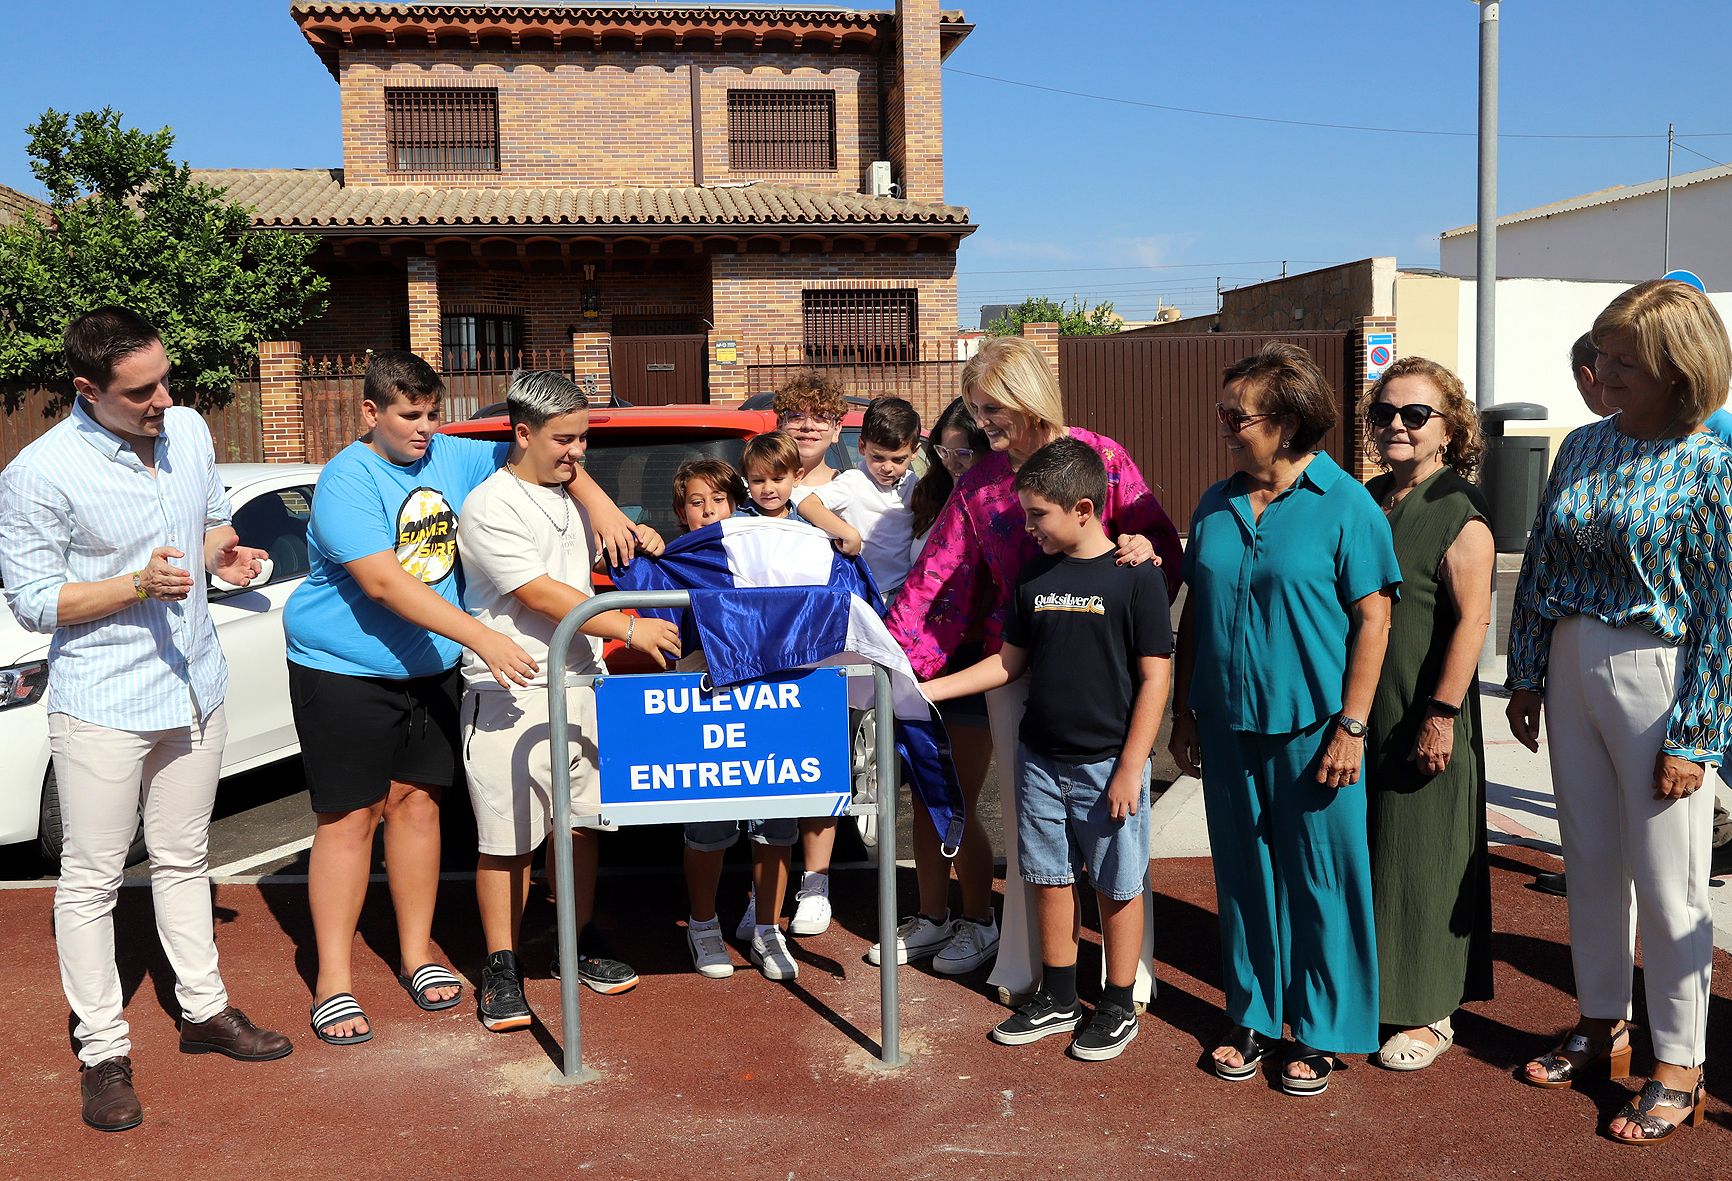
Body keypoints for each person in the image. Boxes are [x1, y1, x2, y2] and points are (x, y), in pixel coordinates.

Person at [285, 350, 648, 1046]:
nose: (426, 428)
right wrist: (481, 638)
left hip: (429, 665)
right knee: (352, 817)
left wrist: (598, 498)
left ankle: (417, 952)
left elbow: (546, 455)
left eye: (432, 414)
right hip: (344, 668)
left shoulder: (450, 457)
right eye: (410, 416)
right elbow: (389, 585)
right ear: (372, 412)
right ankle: (333, 978)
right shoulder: (346, 480)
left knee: (418, 806)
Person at [0, 307, 292, 1132]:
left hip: (197, 684)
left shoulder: (191, 429)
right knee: (91, 879)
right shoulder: (38, 473)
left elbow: (208, 533)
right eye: (142, 391)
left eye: (165, 378)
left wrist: (227, 558)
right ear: (89, 390)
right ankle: (102, 1049)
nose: (164, 398)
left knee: (184, 854)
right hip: (103, 702)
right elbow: (32, 602)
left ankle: (203, 1010)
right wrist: (135, 584)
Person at [887, 335, 1183, 1003]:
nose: (984, 424)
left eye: (993, 409)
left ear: (1027, 396)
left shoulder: (1101, 457)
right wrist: (892, 663)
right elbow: (941, 581)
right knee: (1035, 836)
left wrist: (1141, 545)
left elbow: (1156, 540)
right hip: (1013, 670)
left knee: (1117, 827)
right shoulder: (979, 483)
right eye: (975, 411)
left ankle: (1125, 974)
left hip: (1102, 666)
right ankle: (1032, 967)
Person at [1507, 279, 1732, 1145]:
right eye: (1599, 353)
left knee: (1670, 883)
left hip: (1658, 673)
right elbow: (1541, 562)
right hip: (1570, 660)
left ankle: (1680, 1058)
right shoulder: (1581, 446)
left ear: (1676, 369)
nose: (1598, 371)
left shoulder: (1709, 464)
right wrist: (1527, 669)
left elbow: (1723, 611)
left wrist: (1698, 733)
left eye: (1620, 359)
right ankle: (1602, 1022)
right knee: (1592, 859)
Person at [1169, 341, 1399, 1097]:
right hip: (1228, 721)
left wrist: (1352, 724)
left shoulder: (1348, 505)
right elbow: (1197, 611)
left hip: (1317, 730)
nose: (1225, 425)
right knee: (1243, 876)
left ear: (1289, 420)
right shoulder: (1214, 501)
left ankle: (1324, 1029)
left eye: (1238, 415)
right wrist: (1185, 707)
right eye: (1224, 412)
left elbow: (1374, 619)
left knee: (1323, 878)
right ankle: (1255, 1016)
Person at [924, 438, 1172, 1061]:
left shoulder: (1137, 577)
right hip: (1038, 759)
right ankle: (1060, 996)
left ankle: (1116, 1002)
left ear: (1084, 509)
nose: (1027, 527)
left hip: (1109, 765)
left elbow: (1156, 678)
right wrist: (924, 690)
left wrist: (1131, 768)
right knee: (1046, 878)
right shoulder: (1035, 575)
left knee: (1117, 884)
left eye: (1037, 515)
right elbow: (1008, 665)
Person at [456, 372, 678, 1031]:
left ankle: (576, 939)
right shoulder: (490, 505)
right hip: (510, 691)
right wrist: (629, 625)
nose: (577, 452)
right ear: (522, 434)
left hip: (580, 684)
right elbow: (539, 593)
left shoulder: (570, 491)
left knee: (580, 823)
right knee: (508, 838)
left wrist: (644, 536)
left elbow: (586, 545)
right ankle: (501, 964)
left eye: (583, 437)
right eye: (565, 439)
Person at [1360, 357, 1495, 1070]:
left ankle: (1431, 1010)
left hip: (1423, 708)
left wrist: (1440, 714)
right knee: (1378, 852)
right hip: (1365, 711)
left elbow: (1473, 622)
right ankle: (1378, 990)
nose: (1397, 426)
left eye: (1416, 415)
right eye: (1385, 413)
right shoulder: (1370, 498)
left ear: (1450, 428)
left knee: (1422, 858)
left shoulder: (1457, 512)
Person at [667, 457, 804, 981]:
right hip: (706, 698)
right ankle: (702, 925)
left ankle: (767, 928)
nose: (707, 511)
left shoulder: (771, 544)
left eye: (718, 500)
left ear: (736, 502)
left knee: (776, 820)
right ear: (681, 511)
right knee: (710, 818)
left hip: (773, 694)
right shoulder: (678, 556)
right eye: (696, 503)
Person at [882, 397, 998, 975]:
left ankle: (980, 919)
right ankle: (932, 918)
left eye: (965, 450)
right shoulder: (926, 495)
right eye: (944, 450)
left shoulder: (1000, 499)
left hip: (974, 667)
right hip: (916, 665)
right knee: (924, 796)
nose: (954, 461)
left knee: (959, 797)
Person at [772, 373, 854, 929]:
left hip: (829, 647)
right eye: (796, 416)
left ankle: (815, 884)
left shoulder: (854, 484)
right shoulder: (757, 479)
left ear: (837, 426)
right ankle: (765, 892)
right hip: (767, 649)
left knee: (820, 759)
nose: (807, 425)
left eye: (819, 417)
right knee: (768, 765)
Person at [796, 396, 921, 602]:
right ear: (862, 447)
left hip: (904, 587)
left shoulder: (911, 481)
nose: (888, 467)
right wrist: (849, 533)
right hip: (868, 590)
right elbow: (808, 504)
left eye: (898, 460)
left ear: (914, 452)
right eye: (878, 457)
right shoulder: (853, 482)